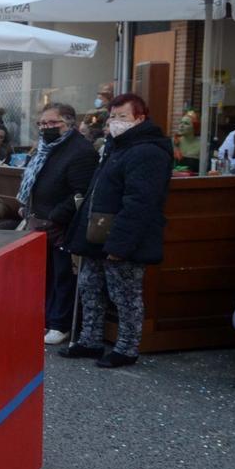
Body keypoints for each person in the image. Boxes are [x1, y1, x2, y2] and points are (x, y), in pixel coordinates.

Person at [60, 93, 173, 368]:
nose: (115, 121)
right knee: (90, 287)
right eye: (113, 115)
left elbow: (140, 203)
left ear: (140, 118)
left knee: (125, 295)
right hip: (96, 233)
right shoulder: (114, 147)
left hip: (123, 237)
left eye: (123, 116)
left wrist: (120, 245)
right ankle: (90, 340)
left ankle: (127, 347)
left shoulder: (147, 151)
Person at [17, 103, 98, 345]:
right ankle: (45, 317)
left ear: (69, 123)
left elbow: (80, 192)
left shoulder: (80, 150)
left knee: (63, 274)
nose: (46, 127)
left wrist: (55, 217)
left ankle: (60, 324)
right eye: (42, 123)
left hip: (62, 224)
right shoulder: (45, 148)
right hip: (38, 219)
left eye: (53, 123)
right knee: (45, 273)